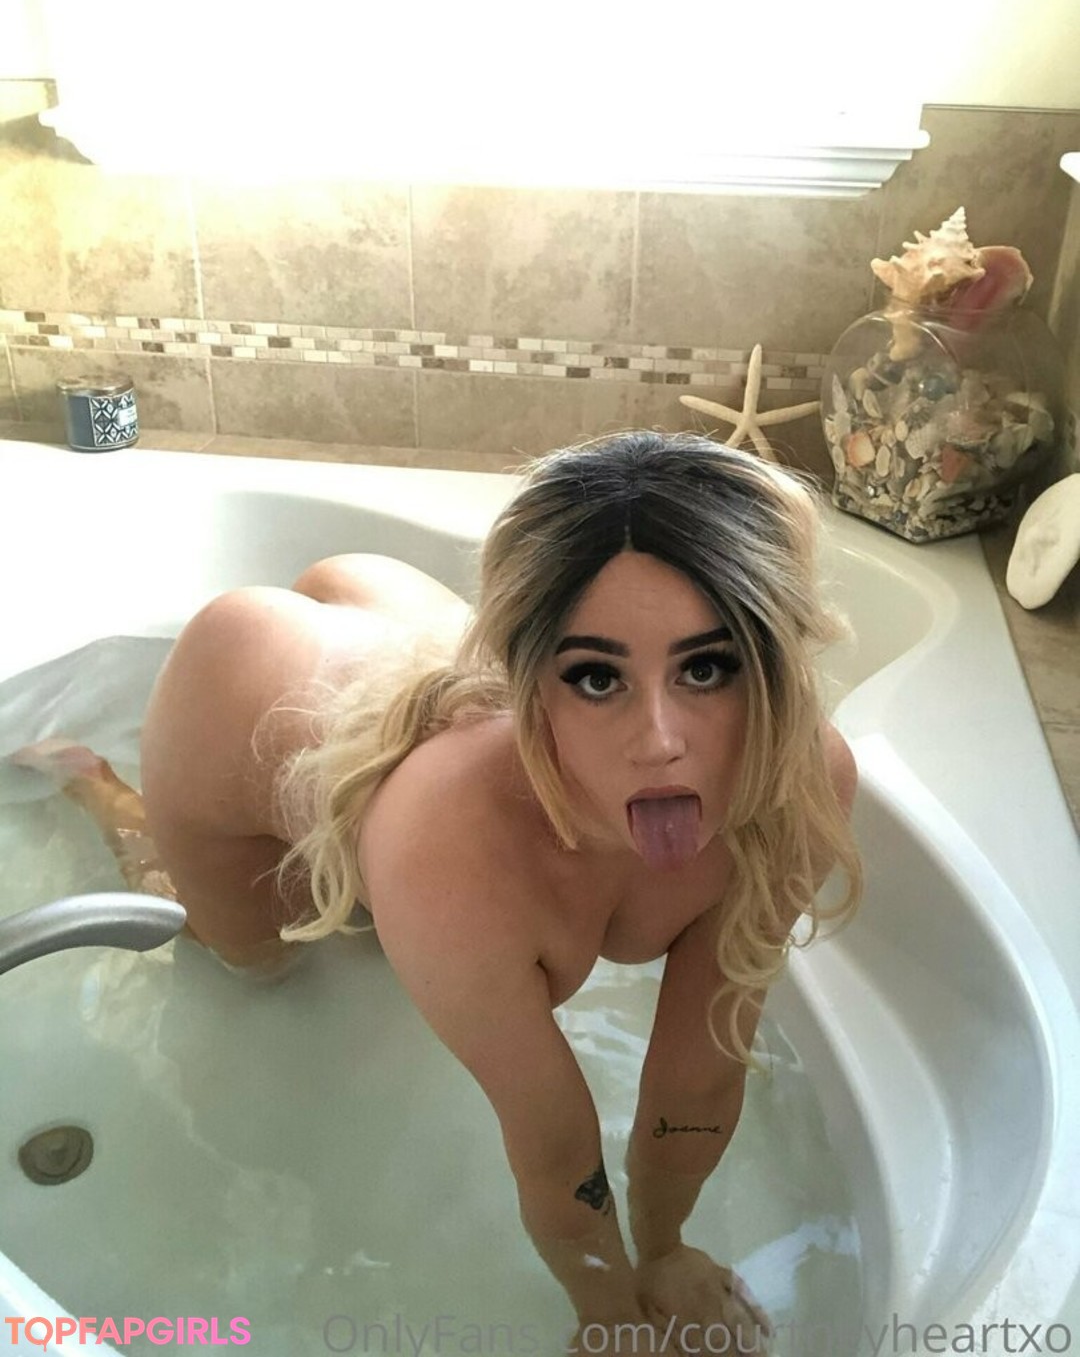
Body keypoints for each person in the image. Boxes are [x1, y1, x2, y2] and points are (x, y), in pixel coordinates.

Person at [13, 430, 861, 1353]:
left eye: (706, 667)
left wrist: (665, 1248)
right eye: (596, 677)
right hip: (239, 692)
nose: (660, 741)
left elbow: (704, 1060)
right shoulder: (449, 834)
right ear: (534, 681)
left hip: (397, 646)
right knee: (251, 966)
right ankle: (99, 786)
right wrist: (609, 1311)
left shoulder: (798, 785)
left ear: (774, 660)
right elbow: (553, 1144)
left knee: (408, 919)